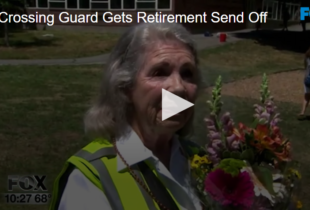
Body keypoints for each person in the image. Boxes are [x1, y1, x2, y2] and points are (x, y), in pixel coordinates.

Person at [49, 23, 203, 210]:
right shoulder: (92, 177)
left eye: (187, 73)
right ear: (125, 87)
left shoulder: (202, 158)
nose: (179, 87)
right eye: (160, 72)